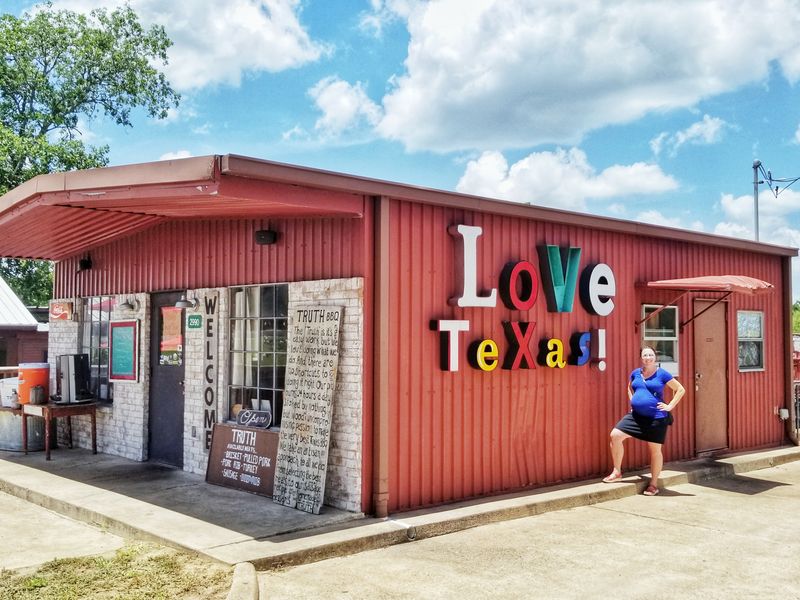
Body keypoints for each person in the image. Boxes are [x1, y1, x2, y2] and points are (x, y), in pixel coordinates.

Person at [602, 346, 685, 495]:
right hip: (636, 417)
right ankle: (617, 472)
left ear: (655, 357)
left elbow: (680, 389)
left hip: (656, 418)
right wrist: (633, 402)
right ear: (641, 357)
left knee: (655, 451)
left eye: (650, 355)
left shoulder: (662, 374)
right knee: (615, 435)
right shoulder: (635, 373)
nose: (648, 357)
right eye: (645, 355)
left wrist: (670, 406)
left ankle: (653, 484)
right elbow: (629, 388)